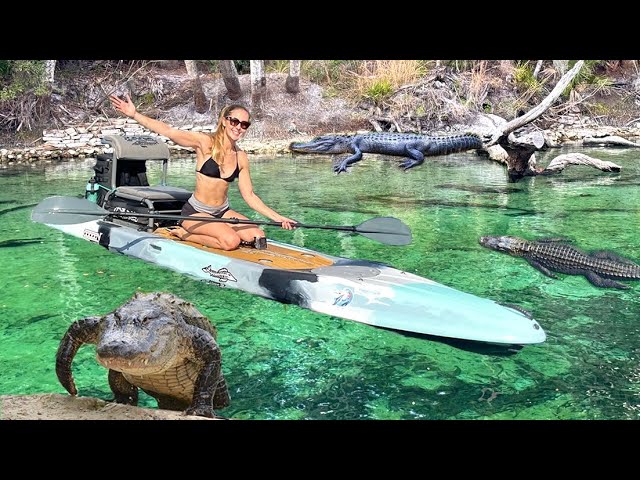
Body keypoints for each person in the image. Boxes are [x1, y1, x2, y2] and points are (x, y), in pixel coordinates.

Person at [108, 94, 296, 251]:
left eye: (244, 125)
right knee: (230, 242)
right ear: (224, 121)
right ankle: (185, 234)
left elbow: (249, 195)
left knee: (258, 236)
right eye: (235, 121)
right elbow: (169, 131)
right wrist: (135, 114)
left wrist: (277, 218)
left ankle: (218, 231)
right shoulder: (205, 143)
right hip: (195, 212)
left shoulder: (241, 157)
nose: (238, 127)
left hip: (222, 212)